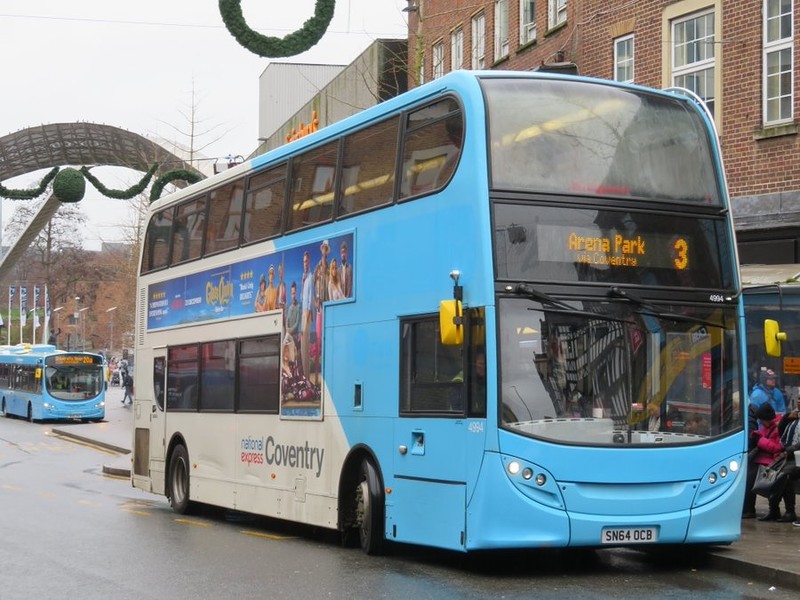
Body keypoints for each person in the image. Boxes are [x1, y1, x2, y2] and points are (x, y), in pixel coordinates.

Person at [747, 403, 793, 522]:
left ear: (767, 419)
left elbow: (777, 447)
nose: (761, 423)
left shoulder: (778, 427)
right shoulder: (767, 427)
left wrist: (760, 440)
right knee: (759, 479)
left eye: (762, 420)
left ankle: (774, 510)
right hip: (765, 459)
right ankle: (773, 510)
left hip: (774, 461)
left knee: (769, 482)